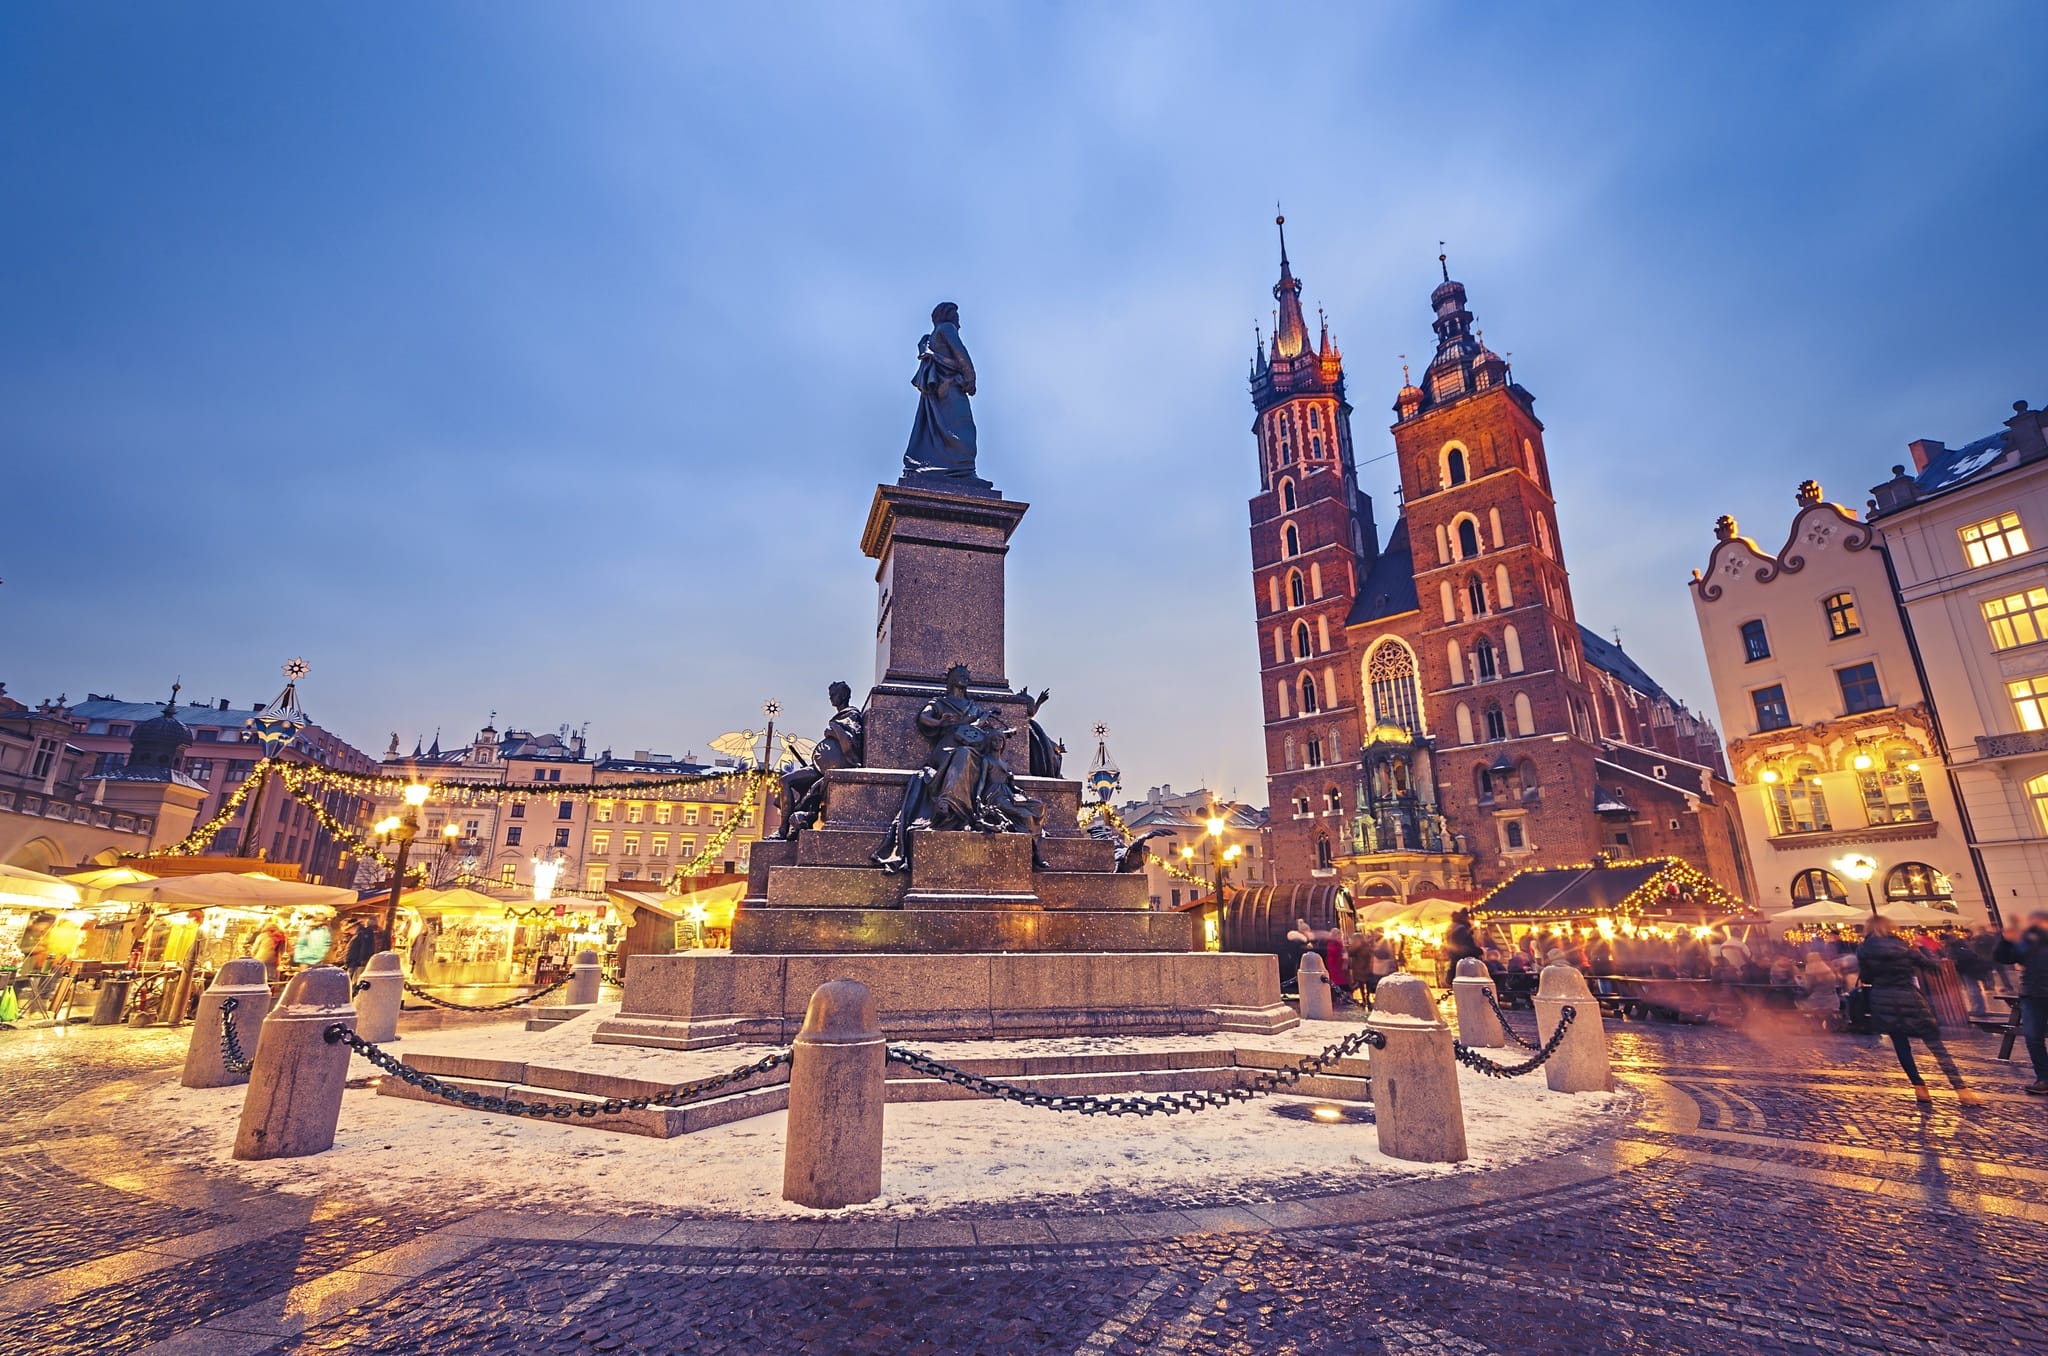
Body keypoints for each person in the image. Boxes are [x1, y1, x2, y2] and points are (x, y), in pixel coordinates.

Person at [1857, 914, 1987, 1106]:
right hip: (1909, 997)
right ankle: (1962, 1091)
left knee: (1901, 1045)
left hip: (1882, 1000)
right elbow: (1933, 968)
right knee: (1936, 1045)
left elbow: (1866, 977)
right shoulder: (1902, 946)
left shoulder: (1863, 949)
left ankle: (1919, 1088)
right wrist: (1919, 955)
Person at [1991, 910, 2048, 1095]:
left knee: (2034, 1037)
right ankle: (2044, 1078)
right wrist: (2006, 940)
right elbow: (2004, 957)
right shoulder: (2028, 941)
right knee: (2033, 1037)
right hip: (2032, 994)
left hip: (2035, 992)